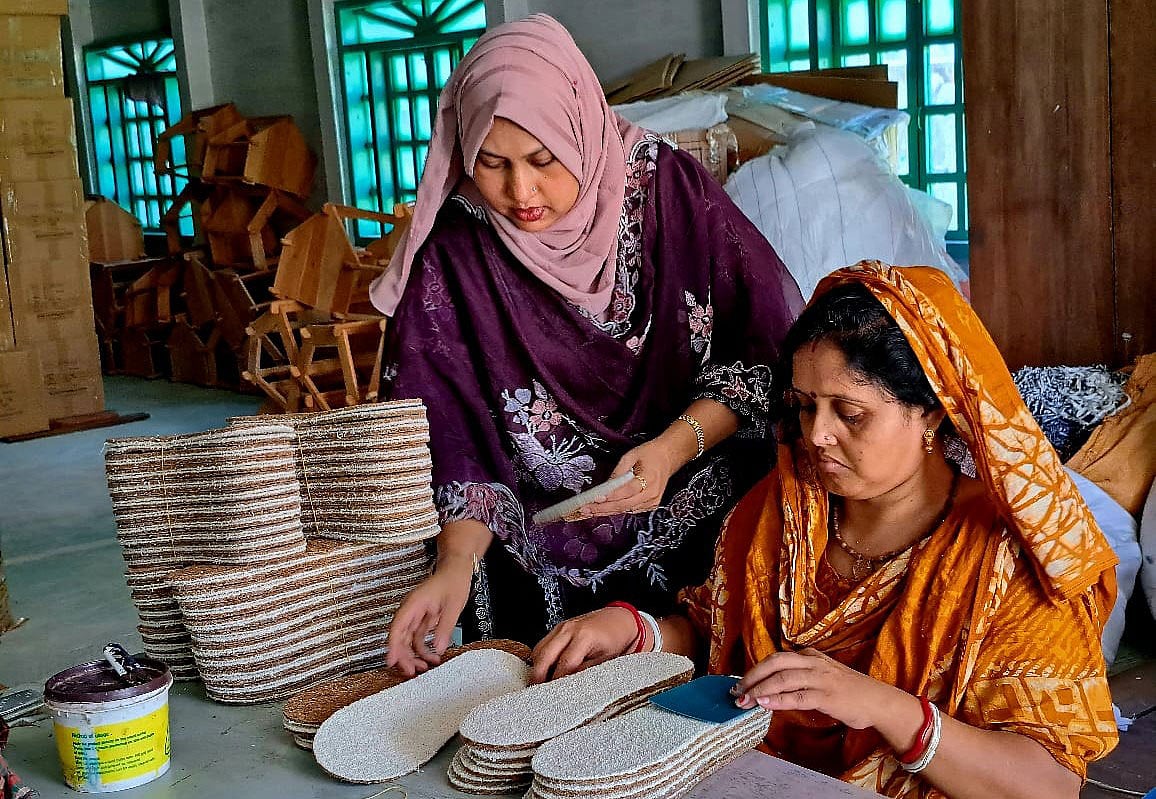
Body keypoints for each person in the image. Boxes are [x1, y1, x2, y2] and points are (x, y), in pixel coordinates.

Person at [533, 261, 1119, 799]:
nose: (816, 436)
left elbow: (1050, 784)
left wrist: (885, 709)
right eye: (805, 406)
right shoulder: (783, 508)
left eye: (851, 414)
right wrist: (639, 633)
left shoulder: (1004, 562)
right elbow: (720, 635)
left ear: (932, 414)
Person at [371, 14, 803, 674]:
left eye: (543, 161)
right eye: (492, 164)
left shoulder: (668, 193)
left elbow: (765, 350)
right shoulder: (458, 251)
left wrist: (669, 449)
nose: (521, 192)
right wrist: (454, 562)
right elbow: (449, 433)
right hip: (537, 555)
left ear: (580, 131)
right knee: (550, 715)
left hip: (691, 511)